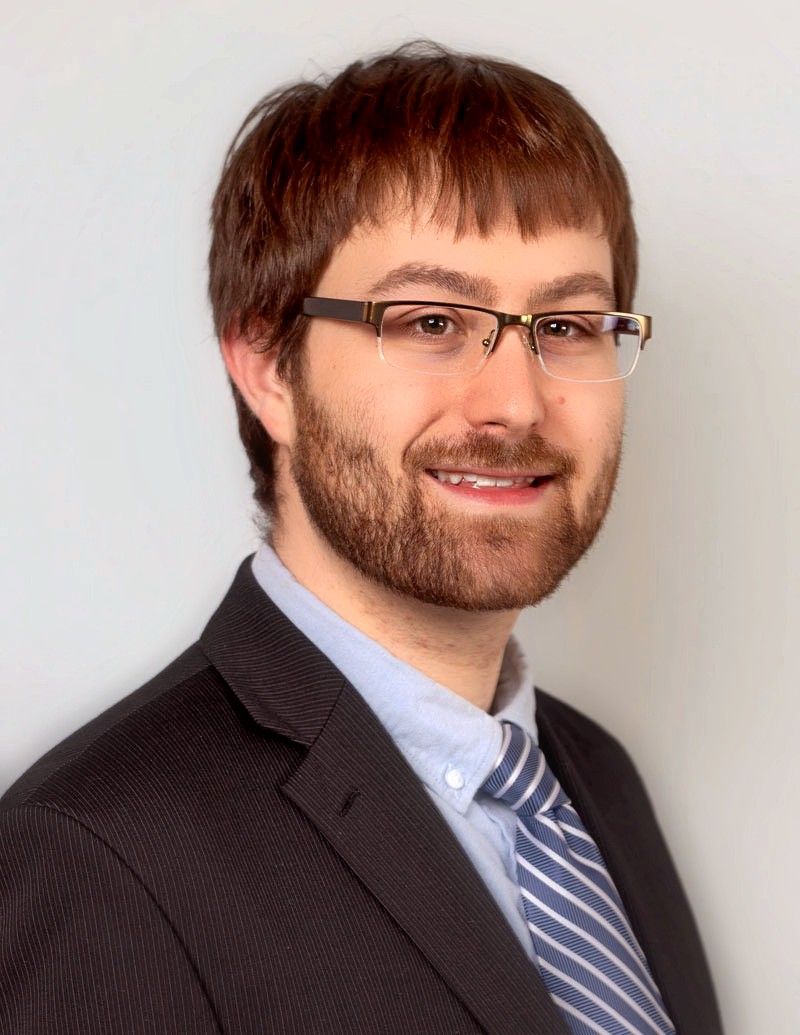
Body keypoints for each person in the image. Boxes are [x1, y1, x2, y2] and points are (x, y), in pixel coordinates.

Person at [0, 41, 722, 1035]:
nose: (515, 403)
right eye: (430, 322)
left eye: (566, 326)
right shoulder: (97, 857)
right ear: (268, 366)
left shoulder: (594, 780)